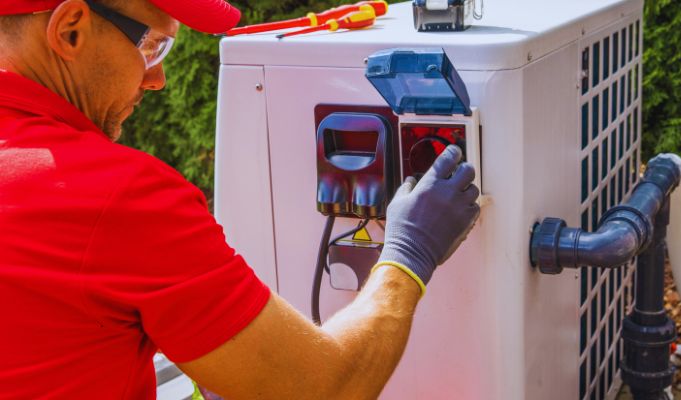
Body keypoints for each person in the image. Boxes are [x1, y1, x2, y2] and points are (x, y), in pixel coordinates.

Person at [0, 0, 481, 399]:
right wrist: (407, 256)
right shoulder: (116, 196)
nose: (157, 79)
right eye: (151, 46)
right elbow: (328, 388)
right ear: (70, 31)